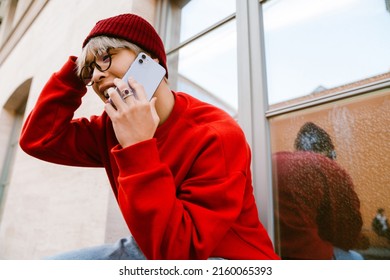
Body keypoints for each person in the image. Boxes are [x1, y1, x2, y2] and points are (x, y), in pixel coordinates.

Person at [19, 13, 279, 260]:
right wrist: (76, 74)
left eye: (107, 57)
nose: (97, 75)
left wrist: (137, 146)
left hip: (220, 257)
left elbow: (180, 255)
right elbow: (38, 139)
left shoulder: (216, 134)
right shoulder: (111, 127)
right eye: (91, 70)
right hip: (148, 245)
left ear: (150, 62)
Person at [272, 122, 363, 259]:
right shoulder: (328, 169)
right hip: (306, 255)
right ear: (330, 153)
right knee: (356, 258)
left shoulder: (272, 161)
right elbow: (348, 232)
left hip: (268, 250)